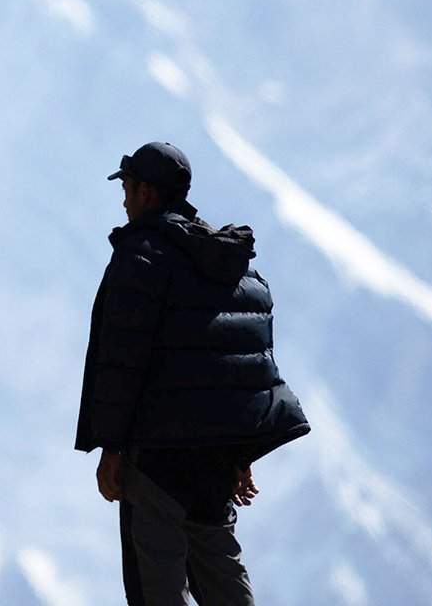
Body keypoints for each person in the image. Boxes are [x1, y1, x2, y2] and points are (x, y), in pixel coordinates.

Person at [76, 141, 310, 606]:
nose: (123, 201)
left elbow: (122, 359)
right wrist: (240, 453)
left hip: (158, 454)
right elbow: (245, 365)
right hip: (216, 457)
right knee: (221, 575)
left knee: (157, 588)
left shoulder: (140, 257)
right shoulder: (224, 261)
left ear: (146, 192)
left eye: (126, 188)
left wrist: (113, 447)